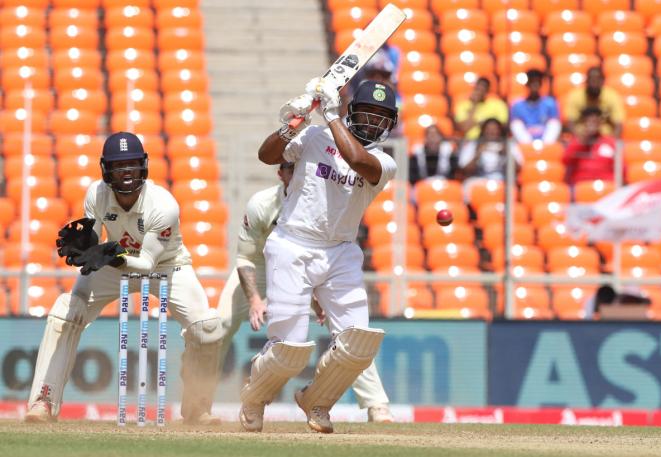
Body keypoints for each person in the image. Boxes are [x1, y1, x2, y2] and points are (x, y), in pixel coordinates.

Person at [24, 132, 224, 425]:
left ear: (143, 165)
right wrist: (87, 244)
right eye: (119, 165)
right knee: (66, 311)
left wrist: (110, 255)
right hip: (113, 264)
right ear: (106, 169)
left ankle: (197, 408)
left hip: (167, 266)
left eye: (131, 164)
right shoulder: (96, 193)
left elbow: (146, 263)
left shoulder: (163, 205)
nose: (126, 171)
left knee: (207, 327)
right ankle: (44, 400)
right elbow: (94, 235)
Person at [238, 78, 398, 434]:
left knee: (360, 341)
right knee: (290, 349)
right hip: (293, 244)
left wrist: (328, 114)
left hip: (340, 252)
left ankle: (317, 401)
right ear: (353, 112)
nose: (373, 122)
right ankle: (254, 396)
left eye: (381, 117)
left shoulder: (383, 163)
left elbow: (356, 159)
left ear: (390, 124)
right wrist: (292, 122)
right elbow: (267, 156)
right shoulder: (313, 137)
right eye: (368, 114)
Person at [217, 162, 393, 423]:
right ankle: (202, 400)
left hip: (308, 263)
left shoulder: (326, 201)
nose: (298, 174)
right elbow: (245, 257)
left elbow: (321, 257)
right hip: (260, 265)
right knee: (220, 326)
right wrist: (254, 299)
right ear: (281, 174)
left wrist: (313, 294)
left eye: (302, 168)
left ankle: (375, 404)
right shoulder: (262, 204)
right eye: (291, 169)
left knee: (354, 336)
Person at [458, 118, 521, 197]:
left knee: (512, 188)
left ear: (500, 131)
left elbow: (518, 168)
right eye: (488, 129)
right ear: (483, 131)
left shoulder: (509, 145)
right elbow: (465, 170)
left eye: (495, 129)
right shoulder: (473, 145)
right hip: (479, 179)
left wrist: (506, 153)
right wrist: (477, 154)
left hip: (502, 179)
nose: (491, 132)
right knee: (467, 186)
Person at [563, 107, 617, 188]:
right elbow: (566, 160)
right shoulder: (576, 142)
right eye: (589, 122)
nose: (592, 125)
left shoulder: (610, 142)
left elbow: (620, 167)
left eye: (595, 122)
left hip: (606, 186)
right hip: (581, 186)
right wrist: (584, 140)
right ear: (584, 123)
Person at [565, 66, 625, 137]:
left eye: (597, 80)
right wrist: (580, 141)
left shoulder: (611, 96)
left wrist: (611, 142)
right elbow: (570, 122)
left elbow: (618, 124)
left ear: (602, 81)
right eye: (592, 80)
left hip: (604, 137)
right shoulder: (575, 96)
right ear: (586, 81)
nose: (594, 83)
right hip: (581, 137)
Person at [509, 69, 561, 146]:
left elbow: (554, 124)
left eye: (537, 82)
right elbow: (516, 127)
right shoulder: (517, 105)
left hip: (546, 138)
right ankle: (528, 147)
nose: (534, 85)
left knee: (554, 123)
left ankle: (546, 147)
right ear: (527, 84)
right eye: (532, 82)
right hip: (525, 139)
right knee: (515, 124)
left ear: (541, 84)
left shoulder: (550, 103)